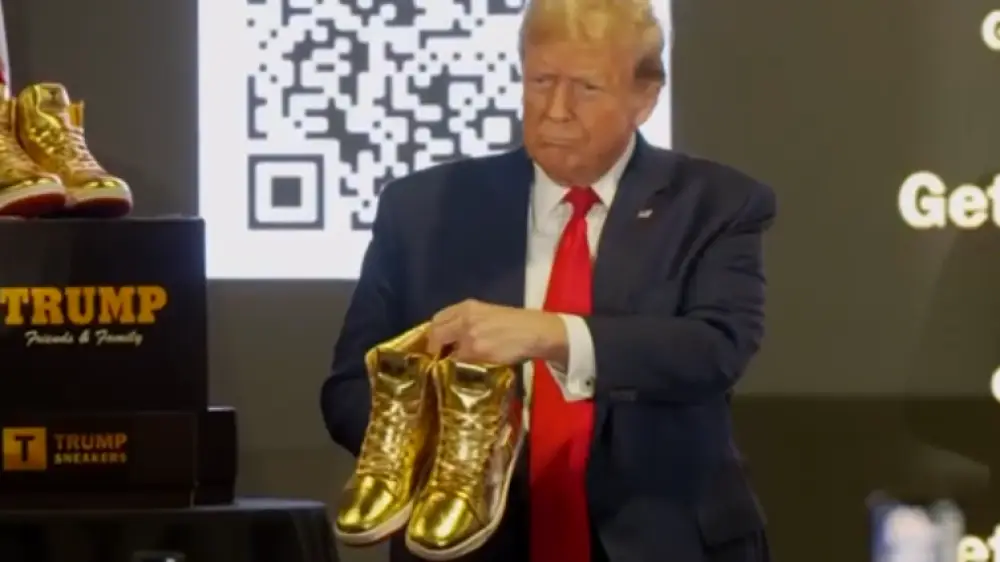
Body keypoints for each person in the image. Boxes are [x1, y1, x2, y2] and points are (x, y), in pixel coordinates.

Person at [321, 0, 776, 560]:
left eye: (586, 88)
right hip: (473, 547)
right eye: (541, 81)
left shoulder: (714, 203)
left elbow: (715, 349)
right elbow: (350, 389)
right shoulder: (420, 209)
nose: (556, 110)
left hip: (664, 538)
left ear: (645, 98)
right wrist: (451, 449)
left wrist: (551, 335)